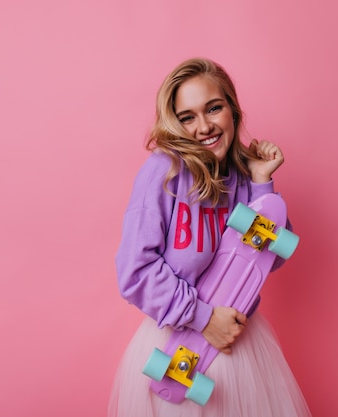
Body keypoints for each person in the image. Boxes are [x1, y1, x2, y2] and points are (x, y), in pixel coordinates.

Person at [108, 58, 312, 417]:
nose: (204, 126)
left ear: (232, 109)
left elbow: (272, 257)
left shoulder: (243, 176)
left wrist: (261, 182)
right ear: (175, 123)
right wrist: (203, 319)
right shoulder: (164, 172)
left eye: (213, 108)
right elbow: (135, 271)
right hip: (178, 348)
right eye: (187, 117)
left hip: (241, 346)